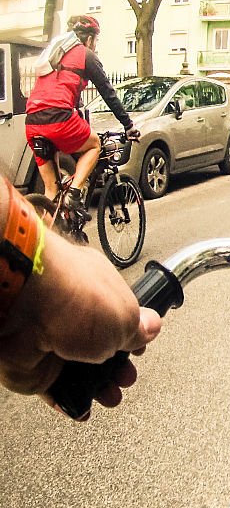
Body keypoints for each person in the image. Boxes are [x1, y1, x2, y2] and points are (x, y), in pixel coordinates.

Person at [0, 177, 161, 419]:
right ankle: (73, 194)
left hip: (39, 140)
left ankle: (56, 198)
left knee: (52, 175)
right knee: (94, 146)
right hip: (62, 139)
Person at [25, 15, 138, 214]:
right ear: (89, 39)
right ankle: (75, 193)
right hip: (58, 118)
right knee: (95, 144)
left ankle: (49, 235)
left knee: (51, 189)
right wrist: (128, 125)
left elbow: (72, 99)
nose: (95, 46)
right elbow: (108, 93)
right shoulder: (86, 55)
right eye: (96, 41)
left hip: (32, 121)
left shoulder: (55, 56)